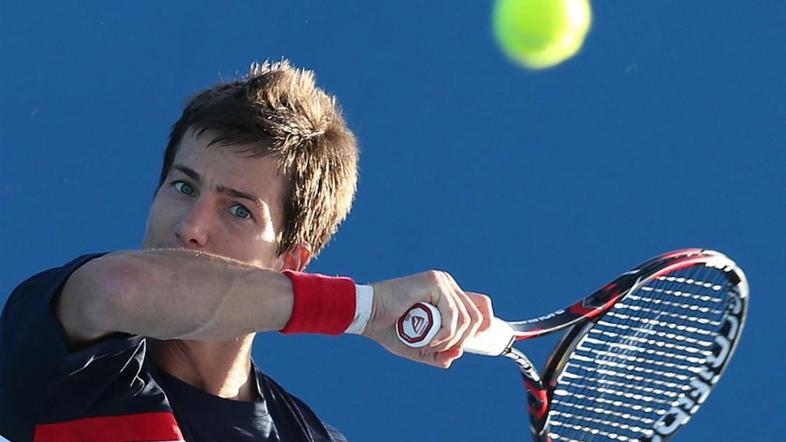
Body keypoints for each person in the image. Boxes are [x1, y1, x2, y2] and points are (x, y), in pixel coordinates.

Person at [0, 60, 493, 442]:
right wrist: (365, 309)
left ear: (291, 264)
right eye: (182, 187)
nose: (191, 227)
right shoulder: (66, 340)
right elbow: (124, 286)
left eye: (238, 211)